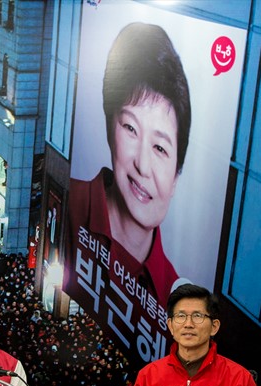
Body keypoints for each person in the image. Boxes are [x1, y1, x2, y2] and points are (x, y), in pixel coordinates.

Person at [64, 22, 192, 311]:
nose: (143, 165)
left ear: (176, 176)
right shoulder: (67, 205)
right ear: (110, 127)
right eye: (131, 128)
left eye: (160, 148)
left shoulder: (176, 299)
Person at [113, 284, 261, 386]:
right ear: (170, 325)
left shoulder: (239, 378)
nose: (188, 324)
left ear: (214, 326)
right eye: (181, 316)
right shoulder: (149, 375)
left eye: (197, 316)